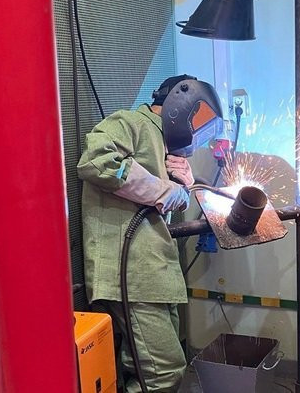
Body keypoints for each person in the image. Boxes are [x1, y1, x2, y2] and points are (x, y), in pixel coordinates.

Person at [77, 75, 204, 392]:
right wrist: (162, 189)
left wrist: (184, 186)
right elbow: (96, 161)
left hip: (154, 275)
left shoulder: (164, 142)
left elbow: (158, 204)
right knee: (163, 373)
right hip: (132, 274)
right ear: (181, 103)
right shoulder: (132, 122)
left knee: (154, 369)